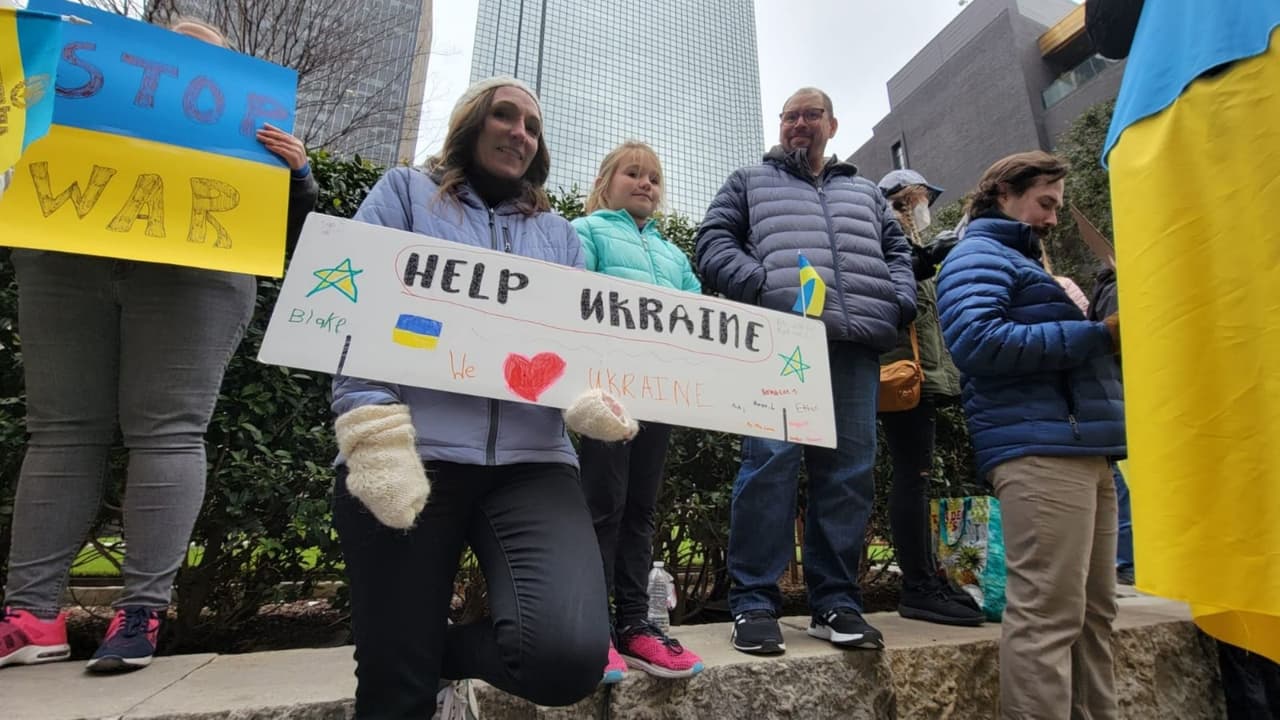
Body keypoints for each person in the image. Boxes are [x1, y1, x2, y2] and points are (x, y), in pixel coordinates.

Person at [0, 18, 318, 673]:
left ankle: (141, 611)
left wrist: (299, 175)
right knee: (59, 429)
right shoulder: (65, 95)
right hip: (66, 255)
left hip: (196, 269)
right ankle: (30, 614)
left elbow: (293, 233)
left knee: (169, 430)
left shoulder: (260, 134)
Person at [329, 77, 608, 718]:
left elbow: (583, 346)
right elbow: (350, 306)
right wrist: (372, 428)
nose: (519, 131)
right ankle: (409, 663)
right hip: (411, 450)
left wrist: (590, 396)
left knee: (567, 659)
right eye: (504, 115)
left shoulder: (560, 237)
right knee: (393, 695)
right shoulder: (402, 193)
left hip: (534, 463)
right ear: (471, 123)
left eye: (532, 126)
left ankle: (431, 654)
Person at [696, 87, 916, 655]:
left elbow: (899, 254)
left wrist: (899, 301)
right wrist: (764, 286)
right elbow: (712, 243)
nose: (799, 124)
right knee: (769, 464)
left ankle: (836, 603)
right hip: (780, 341)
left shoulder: (866, 192)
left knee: (848, 474)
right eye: (790, 115)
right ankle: (753, 603)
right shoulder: (748, 180)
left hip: (855, 346)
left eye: (810, 114)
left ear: (832, 124)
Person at [935, 151, 1125, 719]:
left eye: (1059, 207)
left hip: (1082, 449)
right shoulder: (977, 254)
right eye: (1045, 203)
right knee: (1047, 617)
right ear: (1004, 195)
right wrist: (1097, 336)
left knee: (1094, 614)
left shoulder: (1024, 262)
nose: (1053, 218)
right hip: (1041, 451)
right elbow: (978, 342)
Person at [571, 141, 705, 683]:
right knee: (602, 506)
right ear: (608, 181)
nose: (645, 183)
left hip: (660, 398)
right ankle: (591, 631)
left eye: (653, 177)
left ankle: (634, 625)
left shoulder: (675, 257)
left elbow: (699, 315)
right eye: (633, 173)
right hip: (605, 398)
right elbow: (571, 299)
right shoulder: (588, 233)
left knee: (641, 511)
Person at [875, 170, 983, 627]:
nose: (915, 208)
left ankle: (927, 576)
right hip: (900, 375)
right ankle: (918, 583)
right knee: (910, 476)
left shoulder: (925, 244)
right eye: (905, 201)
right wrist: (920, 259)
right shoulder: (885, 240)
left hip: (929, 376)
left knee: (920, 476)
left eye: (919, 200)